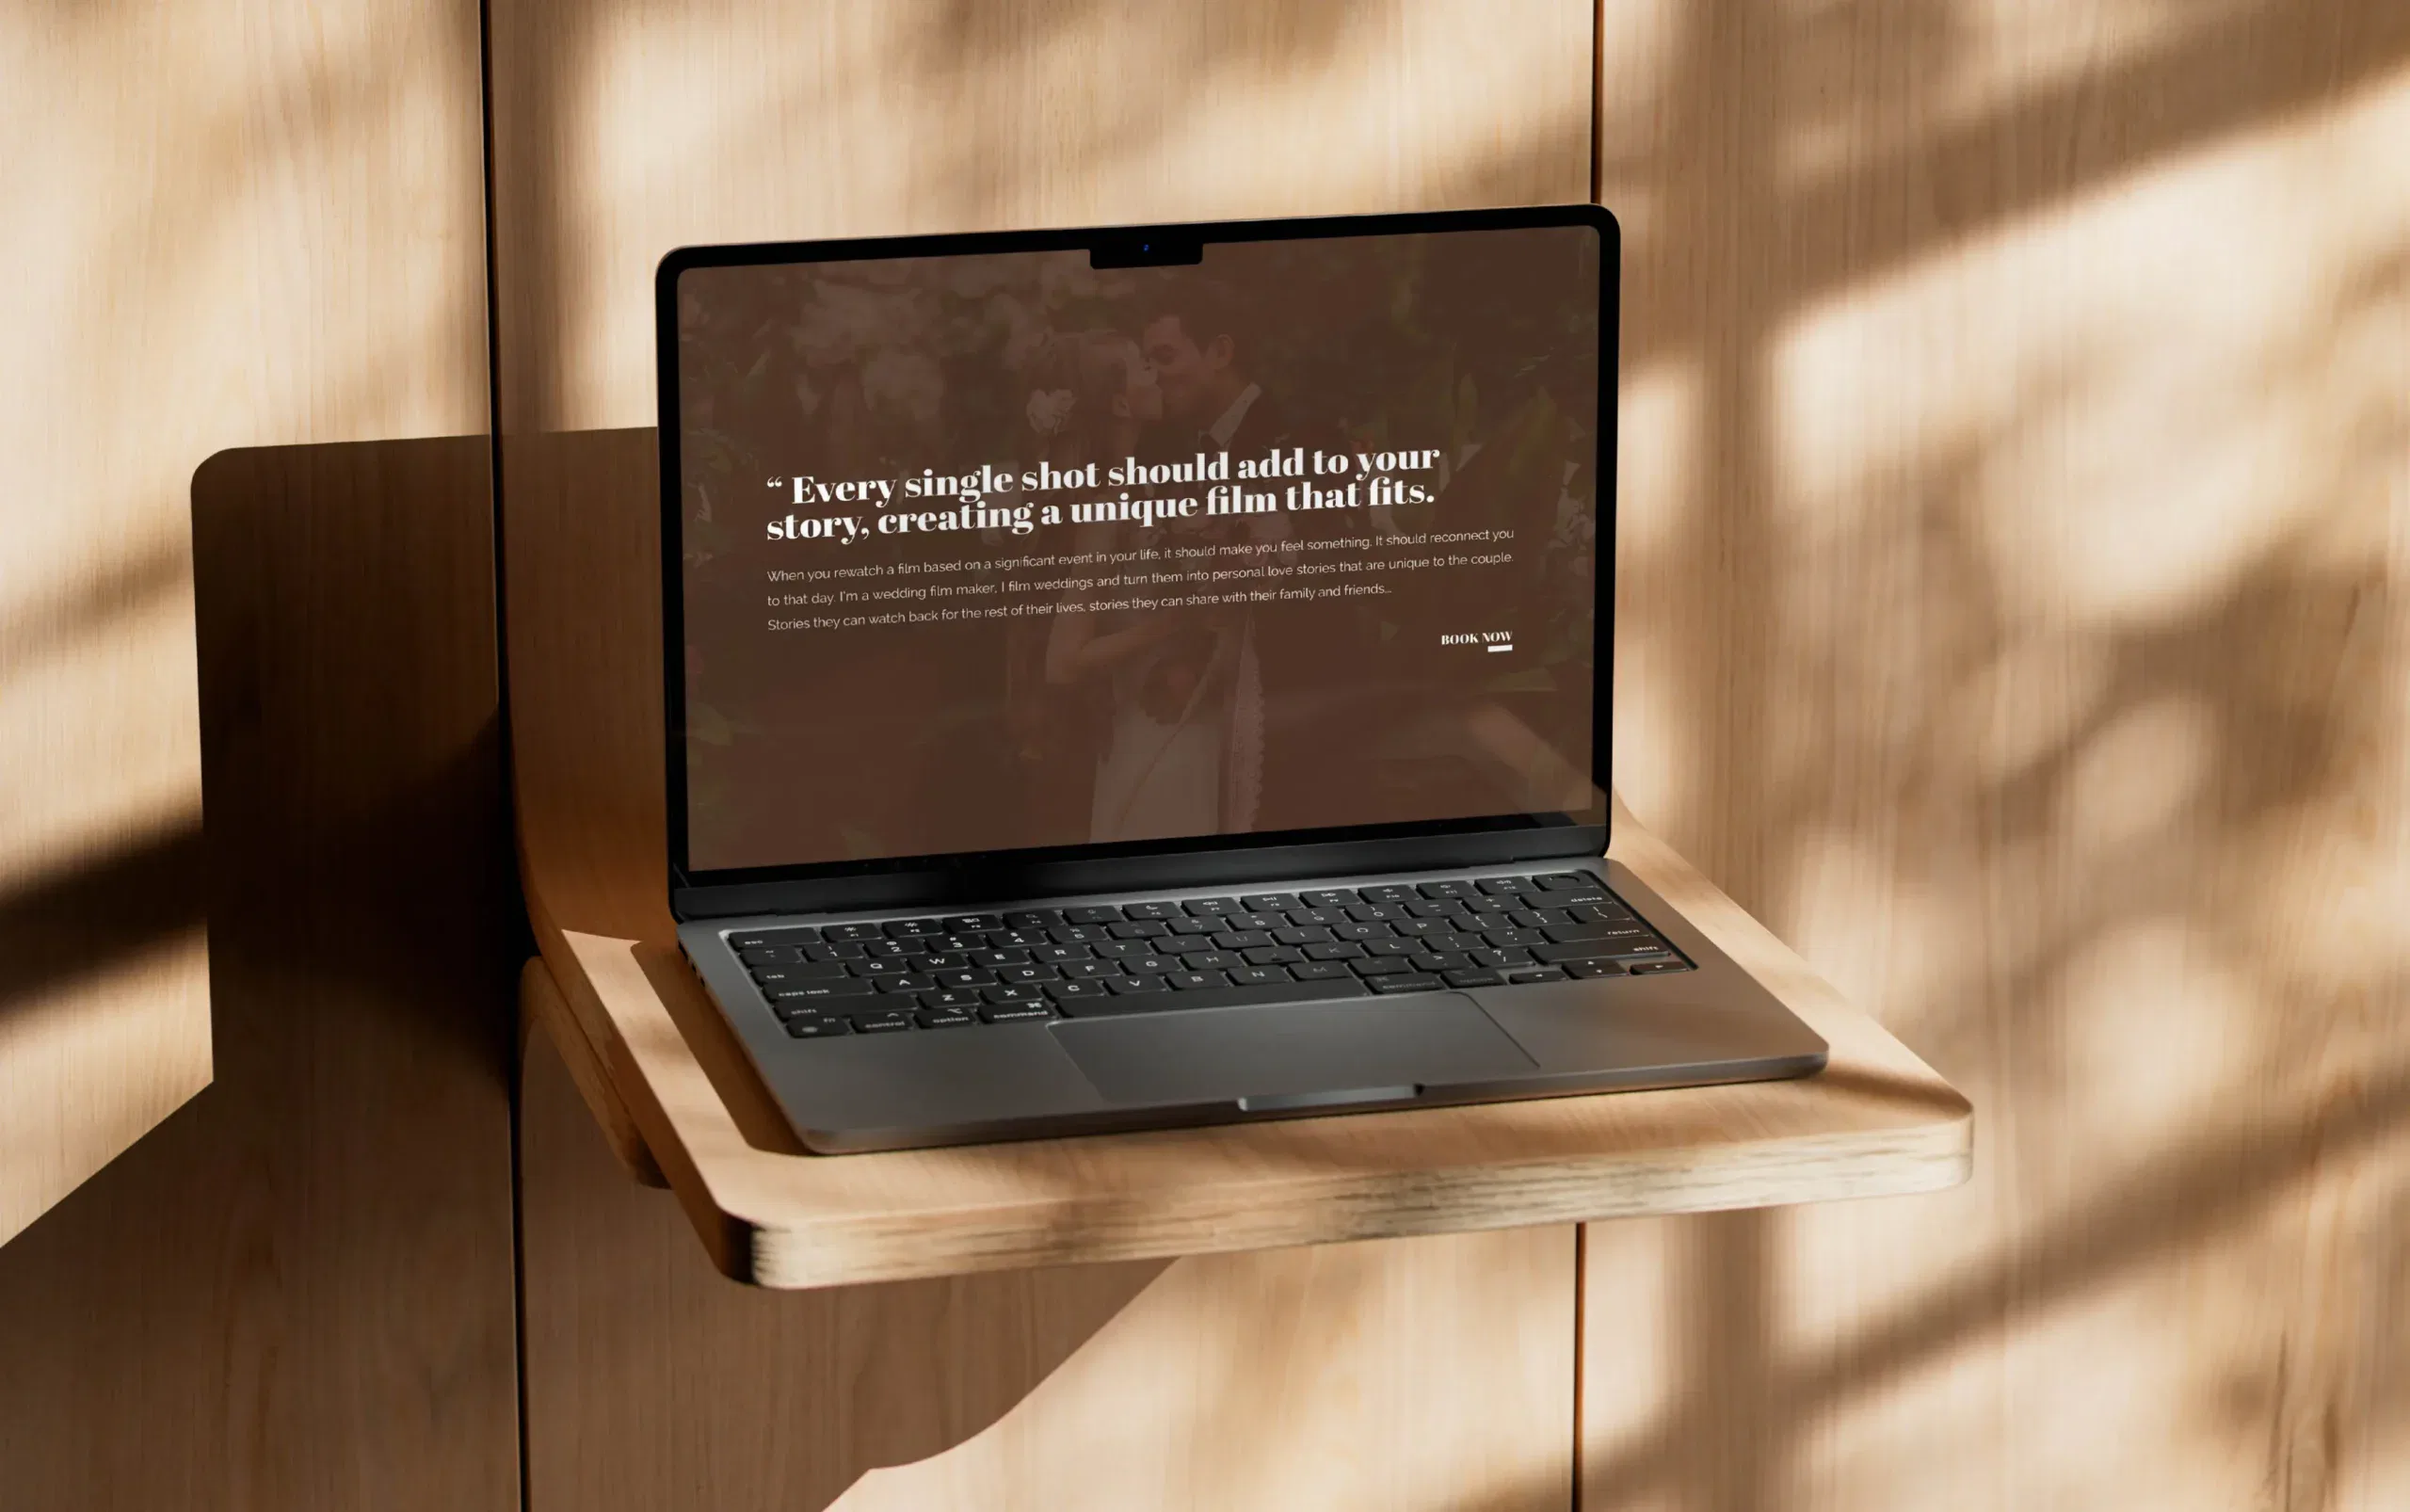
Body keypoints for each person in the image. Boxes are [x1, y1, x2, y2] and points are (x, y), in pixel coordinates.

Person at [1027, 330, 1255, 843]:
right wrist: (1173, 622)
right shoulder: (1111, 500)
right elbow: (1062, 661)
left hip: (1185, 722)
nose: (1156, 372)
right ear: (1119, 403)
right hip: (1153, 734)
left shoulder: (1144, 488)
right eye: (1142, 367)